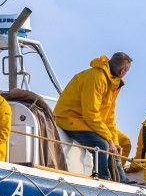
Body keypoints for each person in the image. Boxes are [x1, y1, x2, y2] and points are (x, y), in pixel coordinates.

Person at [54, 52, 132, 180]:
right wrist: (109, 139)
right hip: (70, 118)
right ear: (123, 70)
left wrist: (115, 143)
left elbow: (109, 118)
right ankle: (103, 178)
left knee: (119, 144)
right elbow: (90, 113)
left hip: (85, 120)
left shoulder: (113, 83)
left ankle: (121, 179)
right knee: (102, 145)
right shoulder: (97, 78)